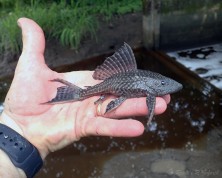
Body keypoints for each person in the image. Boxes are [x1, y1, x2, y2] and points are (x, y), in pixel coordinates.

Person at [0, 18, 170, 178]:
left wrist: (14, 132)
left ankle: (77, 94)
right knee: (89, 94)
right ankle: (76, 94)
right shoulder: (147, 89)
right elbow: (149, 99)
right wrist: (15, 128)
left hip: (111, 85)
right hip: (110, 85)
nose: (164, 86)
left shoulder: (148, 87)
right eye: (162, 83)